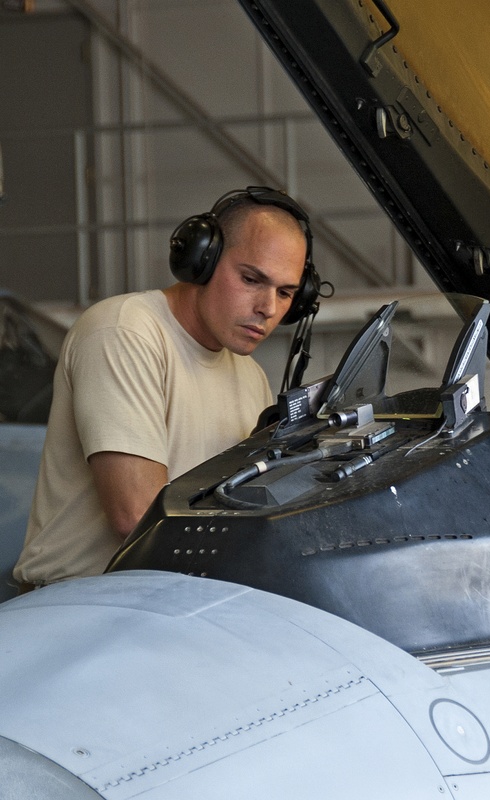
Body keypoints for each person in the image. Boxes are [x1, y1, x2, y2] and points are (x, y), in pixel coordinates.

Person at [14, 186, 320, 590]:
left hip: (171, 602)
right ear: (201, 260)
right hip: (85, 606)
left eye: (285, 293)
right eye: (250, 279)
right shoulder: (123, 332)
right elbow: (138, 516)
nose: (268, 308)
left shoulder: (249, 376)